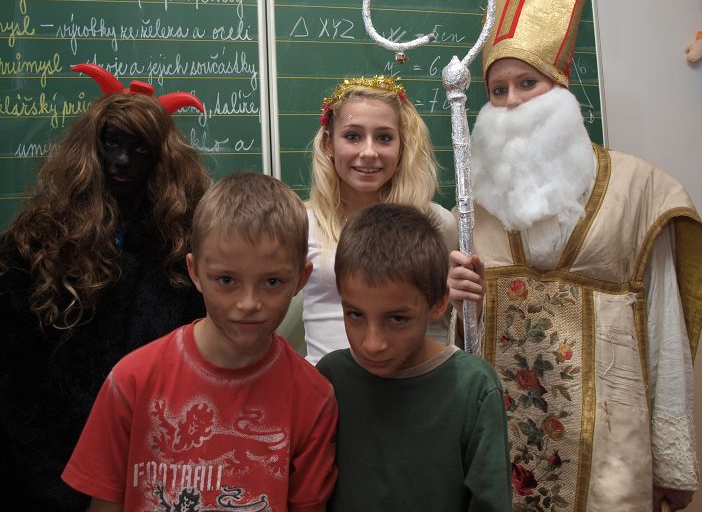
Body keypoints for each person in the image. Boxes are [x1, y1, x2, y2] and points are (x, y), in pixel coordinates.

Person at [447, 0, 702, 511]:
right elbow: (460, 344)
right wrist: (453, 301)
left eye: (528, 82)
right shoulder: (475, 212)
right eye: (497, 89)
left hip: (611, 453)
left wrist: (673, 460)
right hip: (503, 453)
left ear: (561, 87)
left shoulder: (641, 190)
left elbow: (664, 328)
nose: (513, 101)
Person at [0, 65, 210, 511]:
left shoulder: (184, 248)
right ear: (91, 148)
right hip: (49, 460)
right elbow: (17, 368)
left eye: (140, 148)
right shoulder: (36, 242)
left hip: (161, 462)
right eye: (112, 143)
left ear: (161, 158)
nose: (123, 160)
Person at [62, 172, 338, 512]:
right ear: (194, 272)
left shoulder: (313, 398)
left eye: (272, 282)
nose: (248, 303)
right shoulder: (133, 381)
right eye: (227, 280)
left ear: (301, 279)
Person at [317, 203, 511, 511]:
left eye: (397, 319)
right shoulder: (330, 378)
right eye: (355, 314)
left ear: (438, 303)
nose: (373, 343)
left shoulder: (474, 388)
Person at [303, 75, 457, 364]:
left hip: (414, 382)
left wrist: (467, 302)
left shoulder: (435, 223)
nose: (369, 152)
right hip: (326, 384)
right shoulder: (303, 224)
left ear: (402, 145)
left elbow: (448, 321)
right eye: (353, 136)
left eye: (384, 138)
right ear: (328, 143)